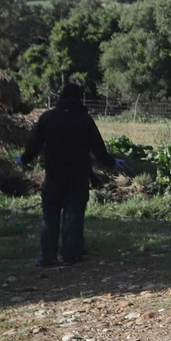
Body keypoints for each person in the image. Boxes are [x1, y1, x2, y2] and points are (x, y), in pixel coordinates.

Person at [18, 84, 124, 266]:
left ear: (61, 97)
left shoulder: (48, 118)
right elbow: (98, 149)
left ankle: (47, 256)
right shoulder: (85, 120)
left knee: (50, 215)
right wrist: (112, 163)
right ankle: (71, 255)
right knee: (74, 215)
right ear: (80, 99)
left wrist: (23, 159)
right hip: (78, 175)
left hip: (53, 174)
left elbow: (33, 144)